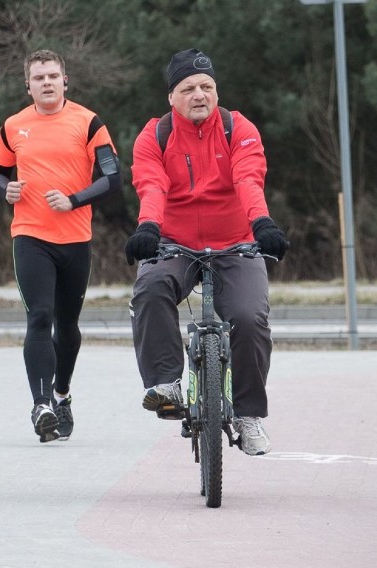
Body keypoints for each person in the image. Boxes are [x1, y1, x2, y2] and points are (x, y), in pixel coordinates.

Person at [125, 48, 289, 456]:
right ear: (172, 97)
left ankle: (249, 415)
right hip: (174, 240)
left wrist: (262, 223)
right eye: (188, 88)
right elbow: (151, 185)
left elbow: (249, 178)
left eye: (206, 87)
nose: (199, 94)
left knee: (250, 318)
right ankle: (165, 383)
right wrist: (148, 227)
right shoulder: (155, 135)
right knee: (150, 288)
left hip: (236, 241)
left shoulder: (238, 128)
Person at [0, 49, 122, 443]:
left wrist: (74, 199)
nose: (46, 82)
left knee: (68, 325)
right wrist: (3, 189)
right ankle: (41, 405)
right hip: (30, 234)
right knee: (39, 317)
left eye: (53, 76)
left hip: (75, 239)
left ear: (65, 81)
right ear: (27, 85)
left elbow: (113, 179)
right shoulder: (13, 126)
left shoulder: (88, 121)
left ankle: (61, 394)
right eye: (38, 77)